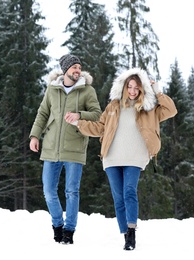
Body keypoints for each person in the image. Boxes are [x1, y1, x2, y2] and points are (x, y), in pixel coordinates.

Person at [65, 68, 177, 250]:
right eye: (129, 87)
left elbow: (171, 110)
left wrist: (157, 91)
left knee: (129, 192)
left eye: (136, 88)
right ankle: (125, 234)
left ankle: (132, 233)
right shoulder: (113, 107)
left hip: (135, 156)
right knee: (118, 198)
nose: (132, 91)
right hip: (112, 157)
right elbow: (99, 128)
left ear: (142, 89)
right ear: (124, 87)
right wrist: (78, 122)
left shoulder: (150, 108)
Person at [29, 54, 101, 244]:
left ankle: (69, 231)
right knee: (49, 190)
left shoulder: (87, 91)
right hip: (51, 148)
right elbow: (43, 113)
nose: (77, 70)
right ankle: (57, 225)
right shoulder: (52, 90)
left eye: (79, 67)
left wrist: (79, 115)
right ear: (65, 70)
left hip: (75, 148)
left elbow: (97, 115)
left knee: (72, 191)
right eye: (74, 67)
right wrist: (35, 136)